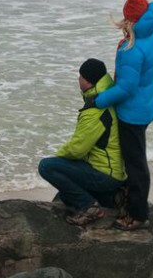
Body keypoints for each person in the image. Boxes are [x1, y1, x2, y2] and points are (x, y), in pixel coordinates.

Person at [94, 0, 153, 232]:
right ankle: (129, 201)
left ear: (130, 21)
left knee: (135, 163)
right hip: (148, 105)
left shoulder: (131, 50)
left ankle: (137, 214)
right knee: (135, 158)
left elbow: (126, 88)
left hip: (132, 112)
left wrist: (100, 100)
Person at [38, 58, 126, 226]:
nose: (78, 79)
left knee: (47, 167)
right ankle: (110, 197)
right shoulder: (108, 96)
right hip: (115, 171)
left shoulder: (95, 109)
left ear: (88, 81)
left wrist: (58, 157)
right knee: (64, 195)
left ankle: (89, 207)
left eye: (80, 76)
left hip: (104, 174)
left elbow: (78, 149)